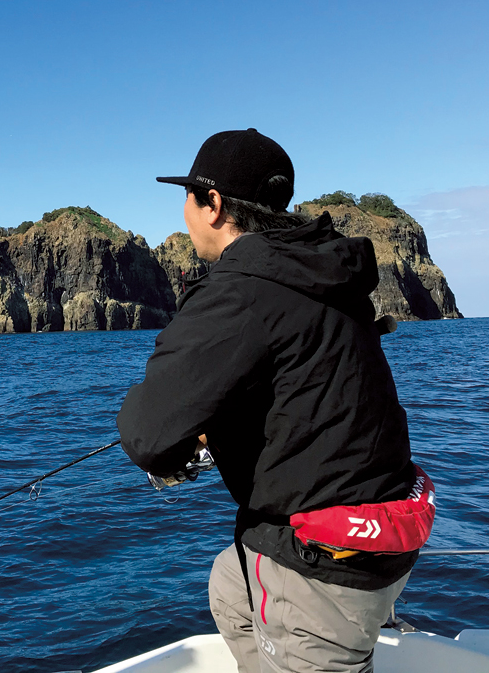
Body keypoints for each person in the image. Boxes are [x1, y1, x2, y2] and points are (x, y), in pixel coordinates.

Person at [117, 129, 432, 673]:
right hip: (387, 539)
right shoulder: (323, 277)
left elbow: (147, 434)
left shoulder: (240, 290)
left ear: (212, 204)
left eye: (188, 197)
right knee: (230, 585)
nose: (184, 213)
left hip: (323, 566)